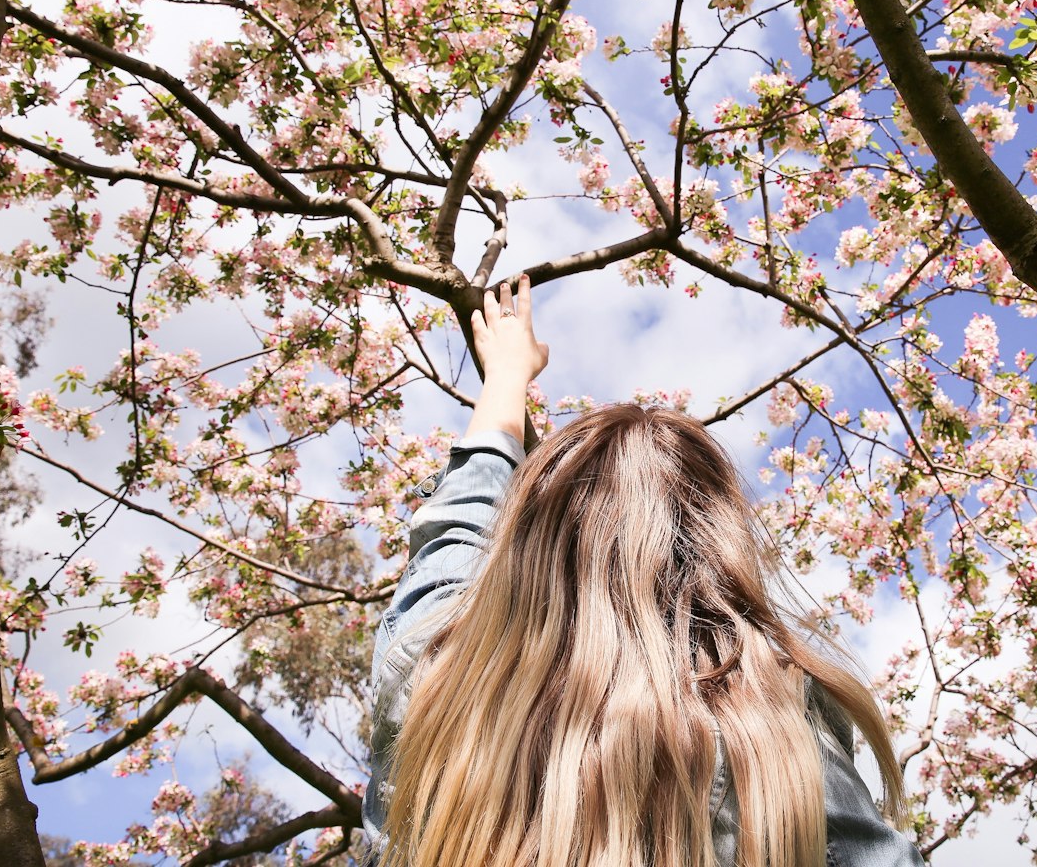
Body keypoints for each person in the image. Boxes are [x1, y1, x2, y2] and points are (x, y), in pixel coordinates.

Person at [364, 275, 924, 867]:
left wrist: (507, 374)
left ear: (530, 536)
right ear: (715, 546)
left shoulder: (434, 663)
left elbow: (460, 519)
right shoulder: (774, 722)